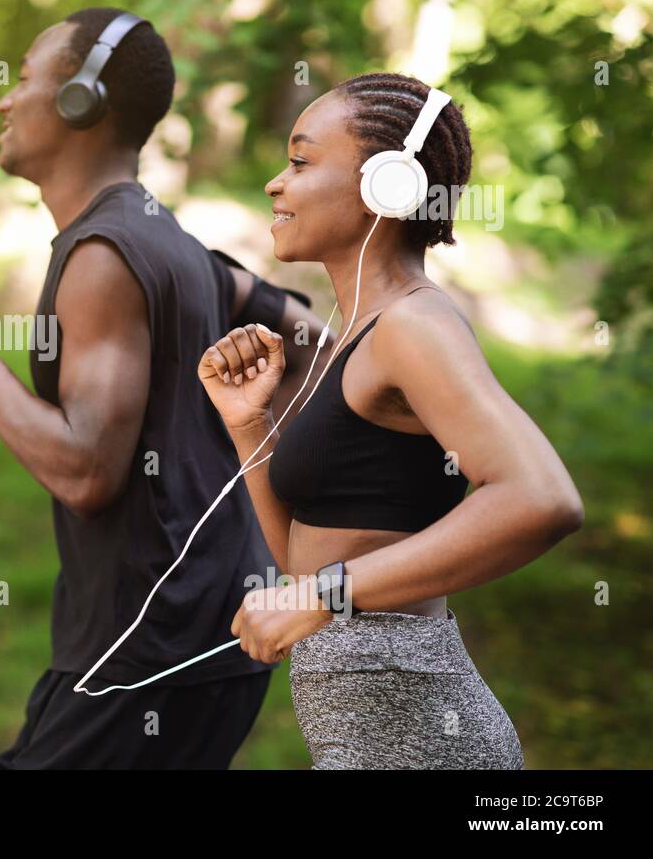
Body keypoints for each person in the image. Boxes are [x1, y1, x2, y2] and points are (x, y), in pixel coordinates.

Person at [0, 7, 327, 768]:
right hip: (200, 633)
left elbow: (86, 470)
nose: (6, 98)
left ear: (82, 99)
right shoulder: (170, 242)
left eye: (27, 78)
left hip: (150, 647)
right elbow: (308, 334)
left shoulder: (106, 253)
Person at [199, 72, 585, 768]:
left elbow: (543, 498)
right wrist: (249, 425)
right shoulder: (359, 332)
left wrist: (324, 594)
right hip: (367, 734)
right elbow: (300, 563)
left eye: (299, 161)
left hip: (420, 738)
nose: (273, 185)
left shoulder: (415, 324)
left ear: (389, 186)